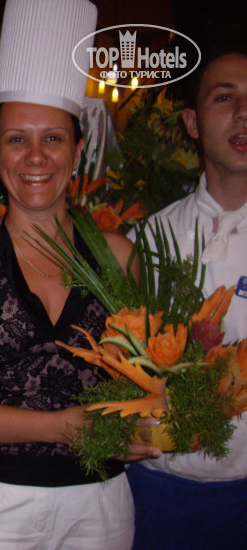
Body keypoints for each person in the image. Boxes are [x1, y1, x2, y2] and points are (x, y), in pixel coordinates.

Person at [0, 1, 158, 548]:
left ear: (78, 149)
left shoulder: (121, 257)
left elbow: (142, 382)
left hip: (100, 505)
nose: (35, 157)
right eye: (16, 138)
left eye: (53, 137)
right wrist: (60, 426)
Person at [126, 47, 247, 549]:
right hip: (159, 491)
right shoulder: (148, 240)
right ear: (193, 124)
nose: (244, 113)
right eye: (225, 98)